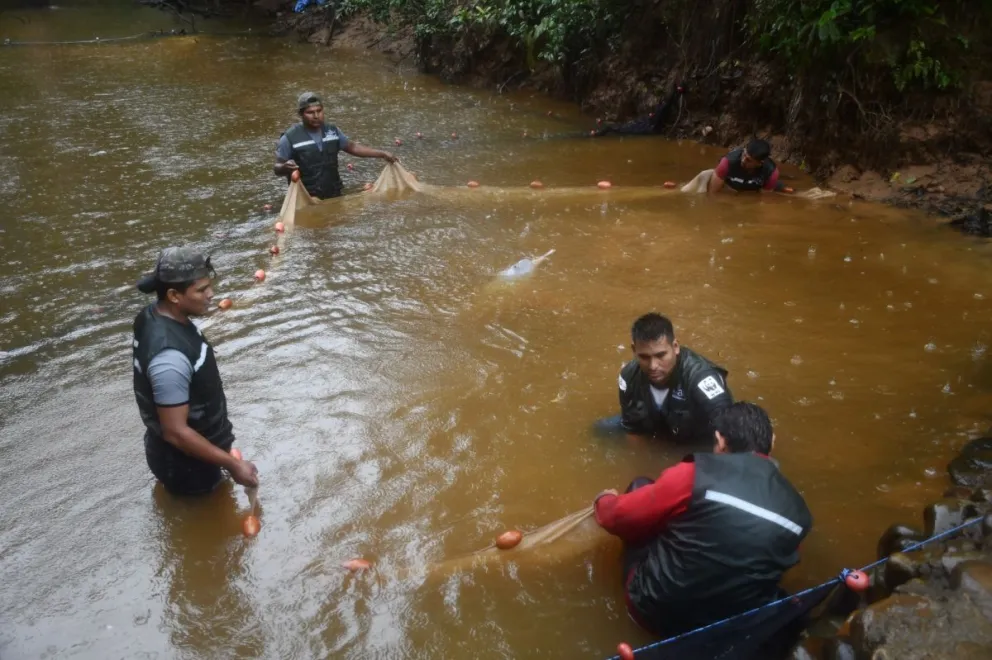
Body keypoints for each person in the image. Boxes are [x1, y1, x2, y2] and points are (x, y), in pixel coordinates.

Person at [594, 402, 813, 640]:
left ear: (719, 441)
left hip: (653, 612)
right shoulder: (798, 511)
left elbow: (615, 517)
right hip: (730, 626)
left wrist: (604, 500)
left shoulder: (695, 474)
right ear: (772, 442)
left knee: (641, 487)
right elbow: (781, 562)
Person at [132, 247, 259, 496]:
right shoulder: (169, 358)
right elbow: (176, 432)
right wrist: (234, 465)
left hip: (185, 456)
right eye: (201, 290)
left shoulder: (151, 316)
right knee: (215, 528)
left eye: (209, 286)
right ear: (174, 295)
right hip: (187, 466)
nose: (211, 295)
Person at [614, 313, 733, 443]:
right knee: (601, 429)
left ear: (675, 347)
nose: (653, 366)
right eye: (644, 357)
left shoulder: (699, 377)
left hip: (695, 440)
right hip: (660, 429)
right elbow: (633, 430)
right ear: (634, 350)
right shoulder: (629, 376)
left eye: (660, 355)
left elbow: (729, 426)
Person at [273, 91, 397, 199]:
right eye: (310, 112)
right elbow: (277, 167)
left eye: (319, 111)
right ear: (301, 114)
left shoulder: (332, 131)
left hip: (334, 193)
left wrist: (382, 153)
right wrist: (284, 167)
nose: (316, 116)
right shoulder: (290, 138)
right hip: (306, 197)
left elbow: (352, 147)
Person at [707, 138, 786, 195]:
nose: (743, 160)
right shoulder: (727, 162)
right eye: (743, 155)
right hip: (730, 186)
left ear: (760, 163)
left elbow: (764, 201)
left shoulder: (771, 172)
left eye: (748, 160)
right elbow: (713, 195)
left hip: (754, 189)